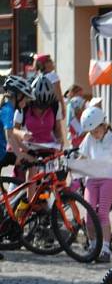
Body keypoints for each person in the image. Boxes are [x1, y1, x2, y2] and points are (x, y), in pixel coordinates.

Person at [76, 107, 112, 263]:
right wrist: (76, 168)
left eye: (96, 131)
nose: (94, 135)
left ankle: (105, 250)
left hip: (108, 178)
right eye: (91, 132)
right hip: (91, 178)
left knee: (102, 212)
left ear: (104, 125)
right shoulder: (89, 139)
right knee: (89, 213)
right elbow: (82, 156)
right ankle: (93, 246)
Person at [15, 75, 66, 203]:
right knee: (32, 170)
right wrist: (22, 134)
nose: (41, 110)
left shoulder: (55, 106)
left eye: (45, 106)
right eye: (38, 105)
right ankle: (30, 203)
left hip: (48, 146)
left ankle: (57, 205)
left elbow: (58, 129)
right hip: (28, 146)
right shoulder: (24, 105)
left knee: (57, 174)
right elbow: (13, 130)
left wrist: (60, 140)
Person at [0, 76, 33, 172]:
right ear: (19, 96)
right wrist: (20, 155)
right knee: (33, 161)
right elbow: (9, 136)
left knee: (30, 158)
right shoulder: (8, 109)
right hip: (1, 154)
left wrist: (26, 149)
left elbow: (12, 135)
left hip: (2, 153)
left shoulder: (6, 106)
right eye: (26, 98)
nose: (26, 103)